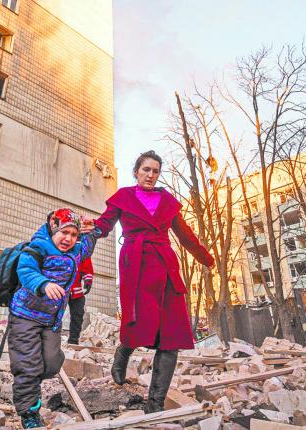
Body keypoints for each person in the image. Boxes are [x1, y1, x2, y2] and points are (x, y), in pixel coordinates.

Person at [93, 150, 215, 413]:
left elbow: (185, 235)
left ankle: (155, 402)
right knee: (138, 321)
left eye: (155, 171)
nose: (150, 175)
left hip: (165, 267)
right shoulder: (123, 196)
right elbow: (104, 224)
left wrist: (206, 258)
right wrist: (87, 232)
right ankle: (123, 353)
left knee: (172, 333)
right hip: (136, 265)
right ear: (136, 171)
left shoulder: (167, 201)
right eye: (146, 169)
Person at [9, 208, 100, 428]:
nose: (68, 239)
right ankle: (29, 413)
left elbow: (87, 246)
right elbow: (26, 270)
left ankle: (29, 382)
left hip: (51, 320)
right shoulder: (38, 246)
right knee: (28, 365)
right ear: (53, 228)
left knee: (50, 364)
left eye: (73, 234)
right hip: (25, 316)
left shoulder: (75, 251)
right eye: (64, 233)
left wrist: (93, 230)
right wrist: (43, 284)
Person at [66, 257, 93, 345]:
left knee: (78, 315)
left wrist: (88, 281)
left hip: (76, 290)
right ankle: (50, 340)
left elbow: (87, 266)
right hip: (58, 289)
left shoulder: (82, 251)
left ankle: (73, 341)